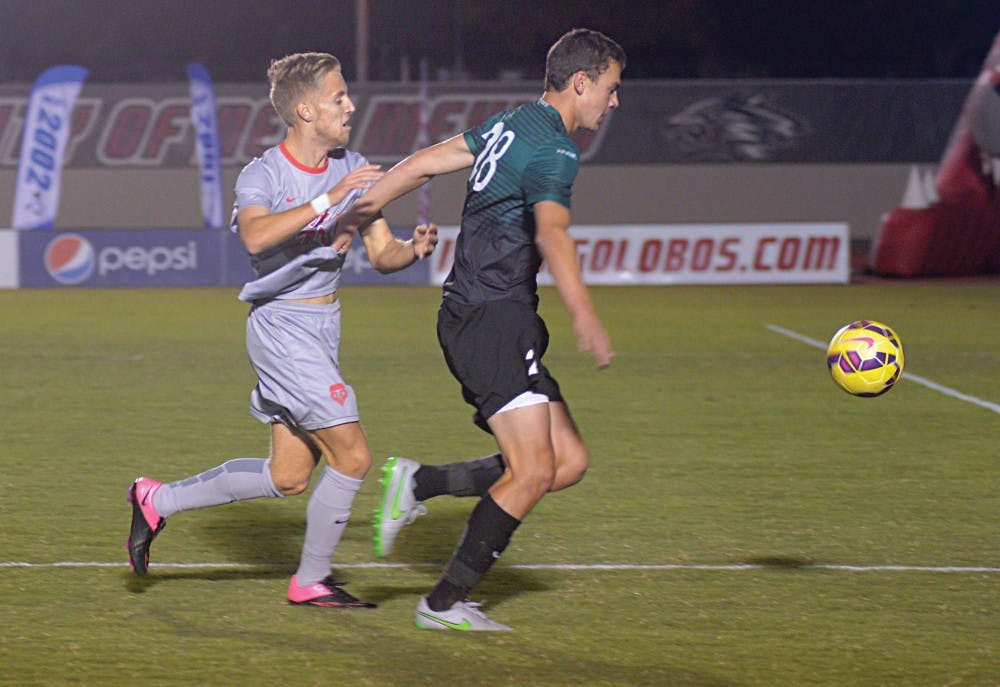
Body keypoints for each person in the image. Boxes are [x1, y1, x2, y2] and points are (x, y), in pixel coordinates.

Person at [335, 28, 625, 630]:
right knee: (535, 471)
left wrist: (363, 209)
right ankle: (442, 604)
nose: (614, 101)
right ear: (581, 82)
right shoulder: (556, 150)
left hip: (488, 313)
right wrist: (586, 314)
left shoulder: (513, 121)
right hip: (492, 317)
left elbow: (422, 165)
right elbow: (553, 233)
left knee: (566, 462)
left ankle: (419, 482)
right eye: (611, 87)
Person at [126, 52, 438, 608]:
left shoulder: (354, 164)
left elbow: (381, 250)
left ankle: (156, 499)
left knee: (289, 476)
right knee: (354, 456)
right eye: (338, 97)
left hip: (323, 326)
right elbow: (254, 237)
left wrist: (410, 251)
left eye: (347, 95)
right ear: (304, 109)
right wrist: (326, 201)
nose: (350, 105)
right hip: (280, 326)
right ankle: (311, 580)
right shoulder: (264, 174)